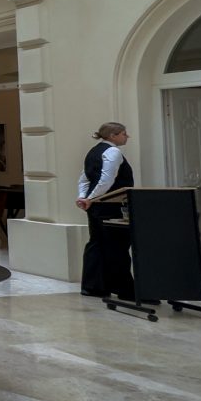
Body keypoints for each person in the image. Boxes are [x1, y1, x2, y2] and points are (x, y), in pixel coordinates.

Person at [76, 122, 135, 300]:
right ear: (113, 135)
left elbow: (84, 178)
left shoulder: (93, 152)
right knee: (117, 245)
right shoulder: (113, 152)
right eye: (124, 133)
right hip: (111, 206)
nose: (127, 136)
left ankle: (93, 286)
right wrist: (91, 198)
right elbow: (107, 180)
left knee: (97, 243)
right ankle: (125, 289)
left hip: (96, 206)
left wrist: (84, 197)